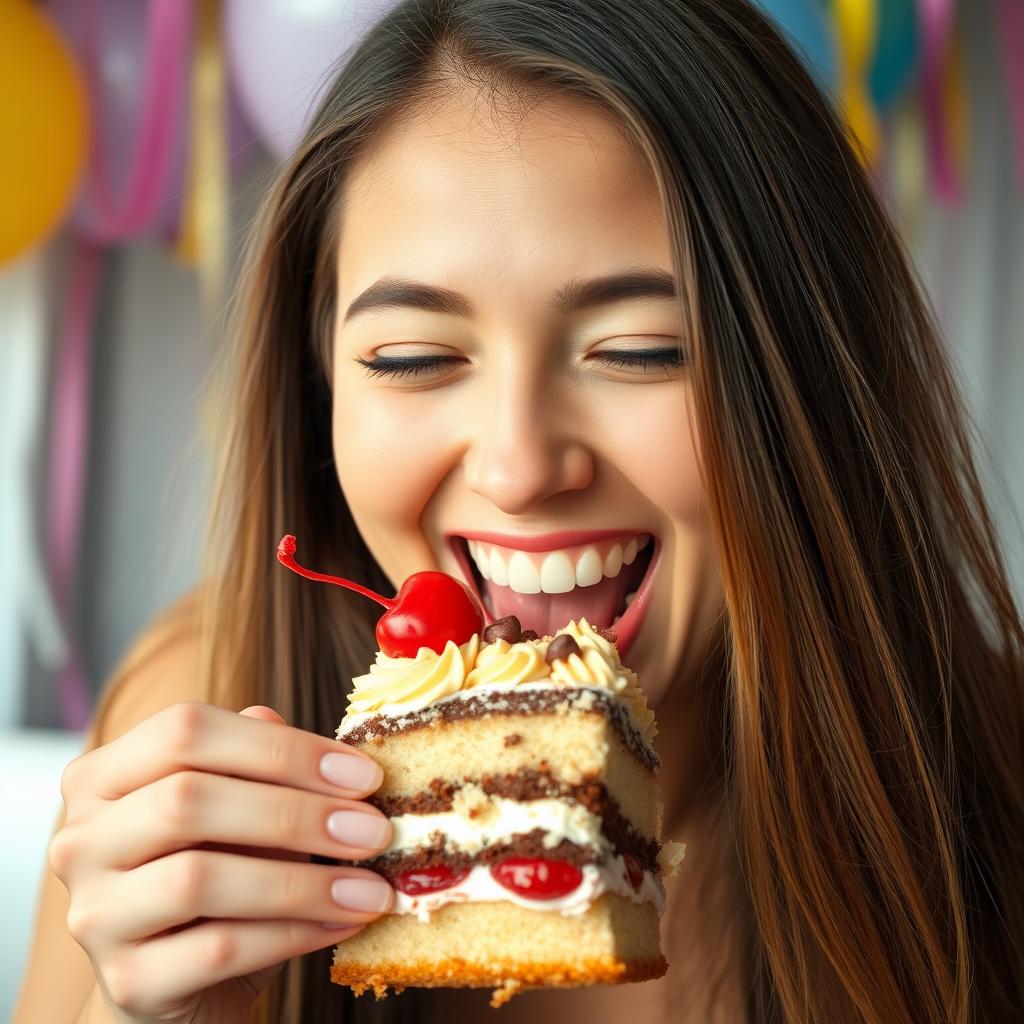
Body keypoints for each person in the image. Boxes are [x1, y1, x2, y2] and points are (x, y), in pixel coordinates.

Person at [14, 1, 1024, 1022]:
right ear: (323, 381)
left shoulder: (995, 803)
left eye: (640, 349)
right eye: (413, 358)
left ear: (812, 374)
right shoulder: (199, 720)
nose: (518, 465)